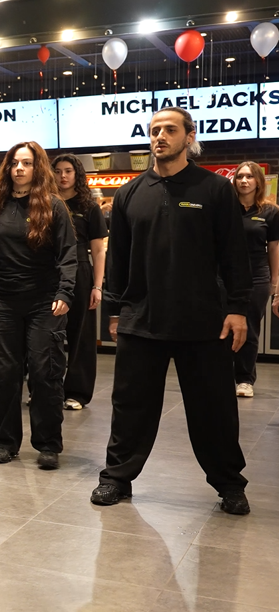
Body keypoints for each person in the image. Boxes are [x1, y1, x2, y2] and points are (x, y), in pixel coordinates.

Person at [94, 107, 252, 515]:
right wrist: (114, 311)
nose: (160, 136)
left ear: (189, 136)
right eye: (154, 130)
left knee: (213, 408)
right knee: (130, 406)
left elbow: (235, 255)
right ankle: (116, 478)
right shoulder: (130, 193)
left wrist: (237, 308)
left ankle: (229, 484)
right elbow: (118, 261)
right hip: (141, 319)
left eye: (169, 129)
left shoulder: (215, 190)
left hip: (204, 321)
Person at [0, 142, 76, 470]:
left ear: (36, 168)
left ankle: (48, 444)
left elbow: (69, 255)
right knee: (4, 374)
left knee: (45, 373)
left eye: (26, 163)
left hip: (45, 303)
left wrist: (65, 292)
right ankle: (5, 441)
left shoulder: (53, 207)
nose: (19, 169)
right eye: (14, 163)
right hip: (2, 302)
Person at [52, 154, 108, 410]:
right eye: (58, 171)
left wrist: (97, 286)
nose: (63, 176)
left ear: (77, 175)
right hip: (48, 273)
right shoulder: (44, 202)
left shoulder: (89, 206)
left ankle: (77, 392)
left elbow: (98, 250)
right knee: (45, 335)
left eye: (68, 171)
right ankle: (45, 388)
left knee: (80, 335)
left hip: (80, 273)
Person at [233, 161, 279, 398]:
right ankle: (221, 376)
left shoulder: (270, 212)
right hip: (225, 278)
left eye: (249, 177)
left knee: (249, 329)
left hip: (257, 278)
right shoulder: (226, 209)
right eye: (240, 176)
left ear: (258, 181)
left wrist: (275, 281)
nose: (244, 181)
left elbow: (273, 248)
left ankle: (244, 380)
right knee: (221, 328)